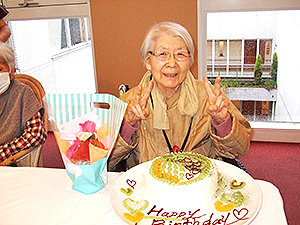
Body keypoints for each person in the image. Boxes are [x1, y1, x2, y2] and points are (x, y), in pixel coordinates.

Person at [108, 22, 252, 171]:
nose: (172, 63)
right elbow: (105, 163)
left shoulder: (209, 98)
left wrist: (223, 122)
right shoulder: (129, 103)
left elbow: (239, 150)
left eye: (180, 54)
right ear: (148, 61)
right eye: (163, 54)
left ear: (190, 61)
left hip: (199, 182)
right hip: (148, 187)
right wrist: (127, 126)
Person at [0, 42, 47, 164]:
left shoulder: (22, 92)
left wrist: (3, 152)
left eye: (0, 69)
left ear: (12, 72)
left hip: (10, 162)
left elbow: (37, 134)